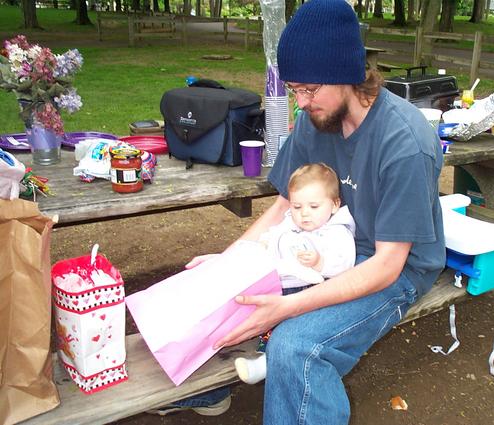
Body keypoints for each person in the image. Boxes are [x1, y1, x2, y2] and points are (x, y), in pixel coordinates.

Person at [155, 0, 445, 420]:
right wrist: (228, 264)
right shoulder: (316, 119)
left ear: (346, 74)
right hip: (319, 242)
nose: (301, 102)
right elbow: (283, 208)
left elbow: (387, 265)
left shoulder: (405, 143)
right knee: (226, 290)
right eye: (294, 90)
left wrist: (288, 308)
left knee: (296, 346)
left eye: (309, 89)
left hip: (393, 267)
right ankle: (207, 392)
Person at [234, 162, 356, 385]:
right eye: (297, 207)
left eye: (314, 206)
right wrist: (265, 243)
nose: (304, 213)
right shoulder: (291, 222)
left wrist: (320, 262)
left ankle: (264, 364)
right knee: (261, 311)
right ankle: (256, 346)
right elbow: (275, 235)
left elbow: (345, 263)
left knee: (286, 327)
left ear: (335, 204)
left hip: (310, 291)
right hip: (282, 283)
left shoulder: (337, 233)